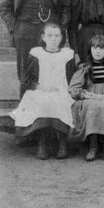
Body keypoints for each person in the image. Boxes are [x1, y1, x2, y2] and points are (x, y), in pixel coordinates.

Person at [9, 22, 75, 160]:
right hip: (40, 89)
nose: (53, 39)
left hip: (61, 90)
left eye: (57, 35)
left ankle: (62, 143)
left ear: (62, 37)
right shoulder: (37, 53)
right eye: (50, 35)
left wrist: (67, 90)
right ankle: (42, 142)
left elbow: (72, 78)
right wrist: (42, 87)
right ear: (43, 37)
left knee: (61, 102)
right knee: (42, 102)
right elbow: (27, 79)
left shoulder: (67, 54)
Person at [69, 35, 104, 162]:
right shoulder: (85, 68)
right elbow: (73, 88)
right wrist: (84, 95)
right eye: (95, 47)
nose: (98, 51)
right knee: (92, 107)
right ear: (90, 49)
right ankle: (93, 146)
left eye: (102, 48)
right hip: (89, 97)